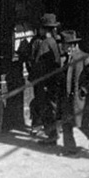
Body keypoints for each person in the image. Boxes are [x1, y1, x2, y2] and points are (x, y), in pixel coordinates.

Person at [60, 30, 89, 155]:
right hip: (67, 96)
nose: (62, 46)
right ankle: (70, 148)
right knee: (67, 122)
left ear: (71, 45)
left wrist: (85, 88)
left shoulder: (84, 57)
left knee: (80, 121)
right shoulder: (67, 58)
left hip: (78, 97)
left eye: (64, 44)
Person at [32, 13, 63, 145]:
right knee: (52, 106)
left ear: (44, 29)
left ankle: (51, 136)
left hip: (45, 81)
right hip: (53, 79)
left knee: (46, 108)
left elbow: (39, 64)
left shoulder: (45, 43)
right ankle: (54, 133)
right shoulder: (55, 42)